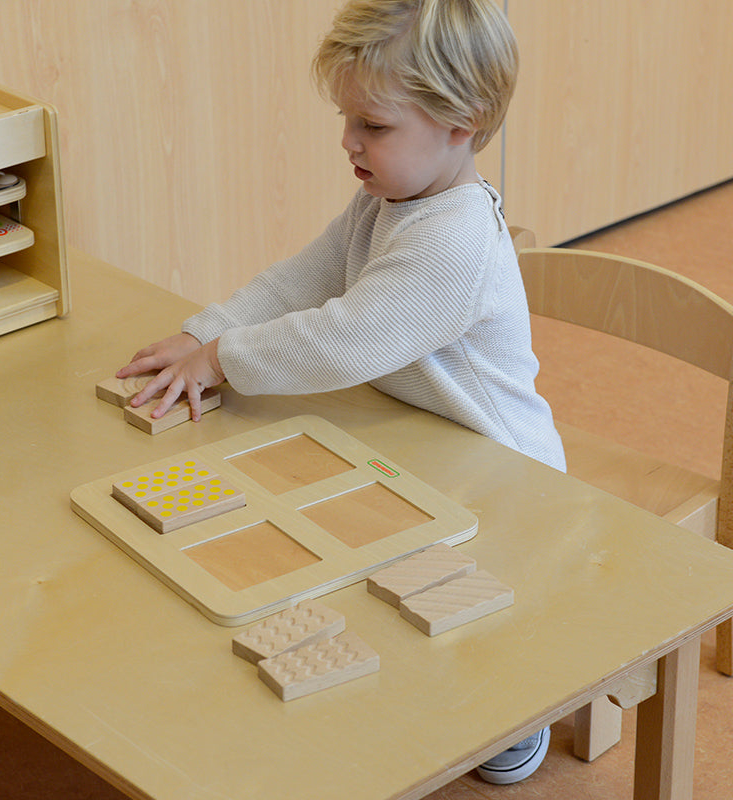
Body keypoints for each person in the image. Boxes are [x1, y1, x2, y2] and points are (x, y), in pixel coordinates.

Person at [119, 1, 563, 779]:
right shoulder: (386, 200)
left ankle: (519, 711)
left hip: (502, 473)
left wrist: (224, 358)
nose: (350, 143)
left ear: (465, 121)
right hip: (420, 443)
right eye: (346, 118)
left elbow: (343, 338)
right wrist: (204, 332)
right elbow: (302, 281)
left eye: (376, 126)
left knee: (462, 616)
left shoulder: (453, 241)